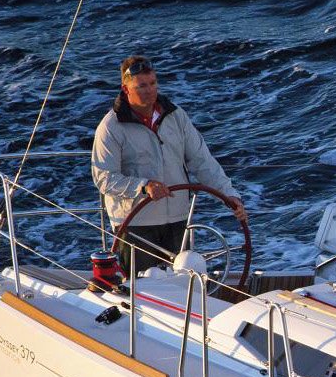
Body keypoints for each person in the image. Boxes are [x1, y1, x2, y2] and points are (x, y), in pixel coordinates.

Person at [91, 55, 245, 275]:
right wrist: (144, 186)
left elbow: (202, 160)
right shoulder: (111, 127)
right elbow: (103, 178)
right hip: (135, 224)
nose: (149, 90)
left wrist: (229, 194)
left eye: (153, 83)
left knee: (184, 289)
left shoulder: (176, 116)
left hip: (178, 219)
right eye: (141, 86)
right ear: (125, 89)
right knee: (141, 292)